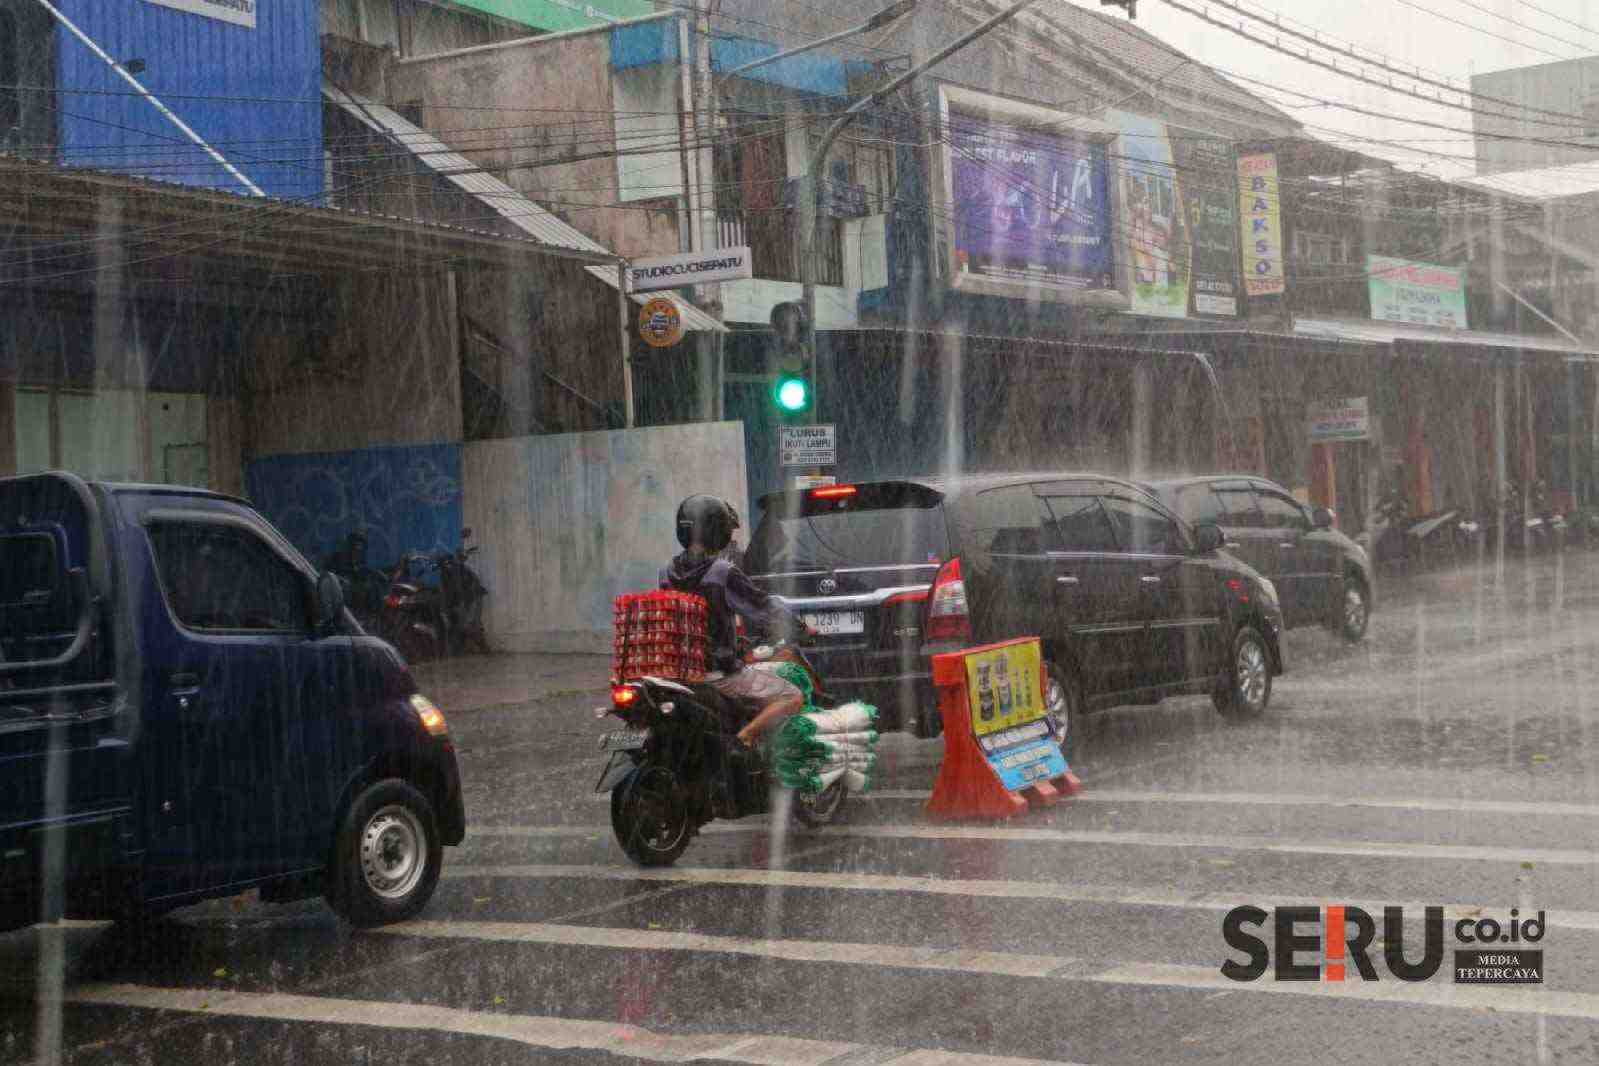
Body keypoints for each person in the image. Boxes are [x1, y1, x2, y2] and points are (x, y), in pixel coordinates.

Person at [661, 494, 805, 747]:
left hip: (678, 672)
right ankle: (745, 737)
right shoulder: (721, 572)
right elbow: (762, 606)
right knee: (792, 696)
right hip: (716, 673)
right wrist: (800, 626)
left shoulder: (667, 571)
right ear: (719, 532)